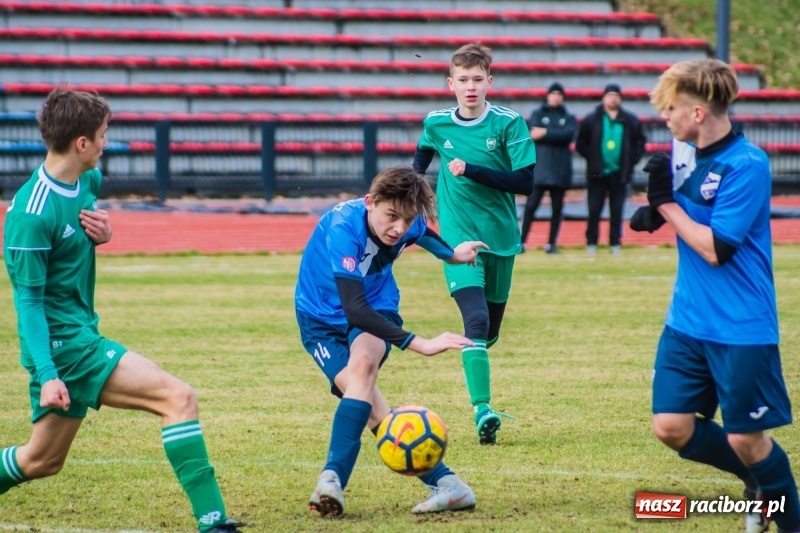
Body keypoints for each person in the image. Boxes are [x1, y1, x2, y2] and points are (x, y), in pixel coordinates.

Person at [0, 88, 243, 533]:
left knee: (41, 460)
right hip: (66, 348)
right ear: (82, 143)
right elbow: (28, 302)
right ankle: (214, 522)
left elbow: (85, 229)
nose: (107, 142)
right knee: (179, 397)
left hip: (77, 337)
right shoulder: (30, 215)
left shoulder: (86, 181)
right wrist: (50, 372)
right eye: (104, 134)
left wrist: (105, 233)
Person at [630, 58, 800, 533]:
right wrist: (658, 212)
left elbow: (716, 248)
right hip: (687, 321)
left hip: (741, 326)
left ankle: (785, 514)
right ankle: (760, 483)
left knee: (749, 439)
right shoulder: (684, 154)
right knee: (671, 426)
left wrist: (665, 203)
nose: (665, 117)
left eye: (670, 109)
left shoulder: (747, 164)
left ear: (698, 112)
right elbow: (690, 209)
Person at [295, 166, 484, 517]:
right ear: (370, 202)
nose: (398, 228)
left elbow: (421, 232)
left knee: (363, 366)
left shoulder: (406, 222)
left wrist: (452, 255)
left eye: (405, 218)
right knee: (360, 392)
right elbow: (353, 308)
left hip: (378, 307)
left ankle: (331, 480)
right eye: (391, 216)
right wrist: (418, 342)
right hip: (320, 320)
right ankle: (448, 484)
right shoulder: (343, 228)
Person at [412, 42, 536, 445]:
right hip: (456, 239)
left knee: (488, 333)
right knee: (476, 323)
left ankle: (478, 354)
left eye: (477, 80)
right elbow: (421, 161)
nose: (470, 87)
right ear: (451, 83)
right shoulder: (435, 123)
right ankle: (483, 409)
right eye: (462, 80)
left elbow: (525, 183)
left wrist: (471, 170)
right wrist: (409, 198)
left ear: (489, 82)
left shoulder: (508, 124)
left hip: (500, 239)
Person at [576, 82, 646, 254]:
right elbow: (581, 142)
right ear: (603, 98)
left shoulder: (630, 119)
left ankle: (615, 242)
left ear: (620, 98)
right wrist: (592, 159)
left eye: (616, 95)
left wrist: (631, 161)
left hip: (619, 173)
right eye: (610, 95)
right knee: (594, 209)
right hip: (597, 173)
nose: (613, 98)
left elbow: (640, 142)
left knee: (617, 209)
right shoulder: (592, 118)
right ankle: (591, 242)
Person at [520, 81, 576, 254]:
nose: (556, 97)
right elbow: (533, 133)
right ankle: (520, 242)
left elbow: (568, 135)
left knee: (557, 209)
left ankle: (551, 244)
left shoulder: (568, 117)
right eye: (553, 93)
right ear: (548, 95)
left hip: (560, 171)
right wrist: (553, 134)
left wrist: (545, 132)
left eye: (559, 94)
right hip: (540, 170)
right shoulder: (537, 113)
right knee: (531, 207)